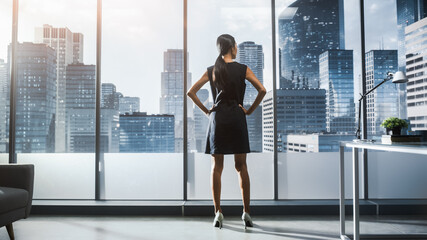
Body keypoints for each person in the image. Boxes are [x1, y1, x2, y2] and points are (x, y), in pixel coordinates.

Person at [187, 34, 266, 229]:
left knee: (216, 168)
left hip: (218, 120)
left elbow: (191, 92)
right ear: (231, 47)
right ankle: (246, 212)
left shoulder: (213, 70)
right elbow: (262, 90)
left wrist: (207, 111)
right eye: (236, 45)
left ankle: (218, 213)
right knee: (242, 167)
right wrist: (249, 110)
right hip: (237, 120)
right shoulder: (242, 69)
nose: (237, 48)